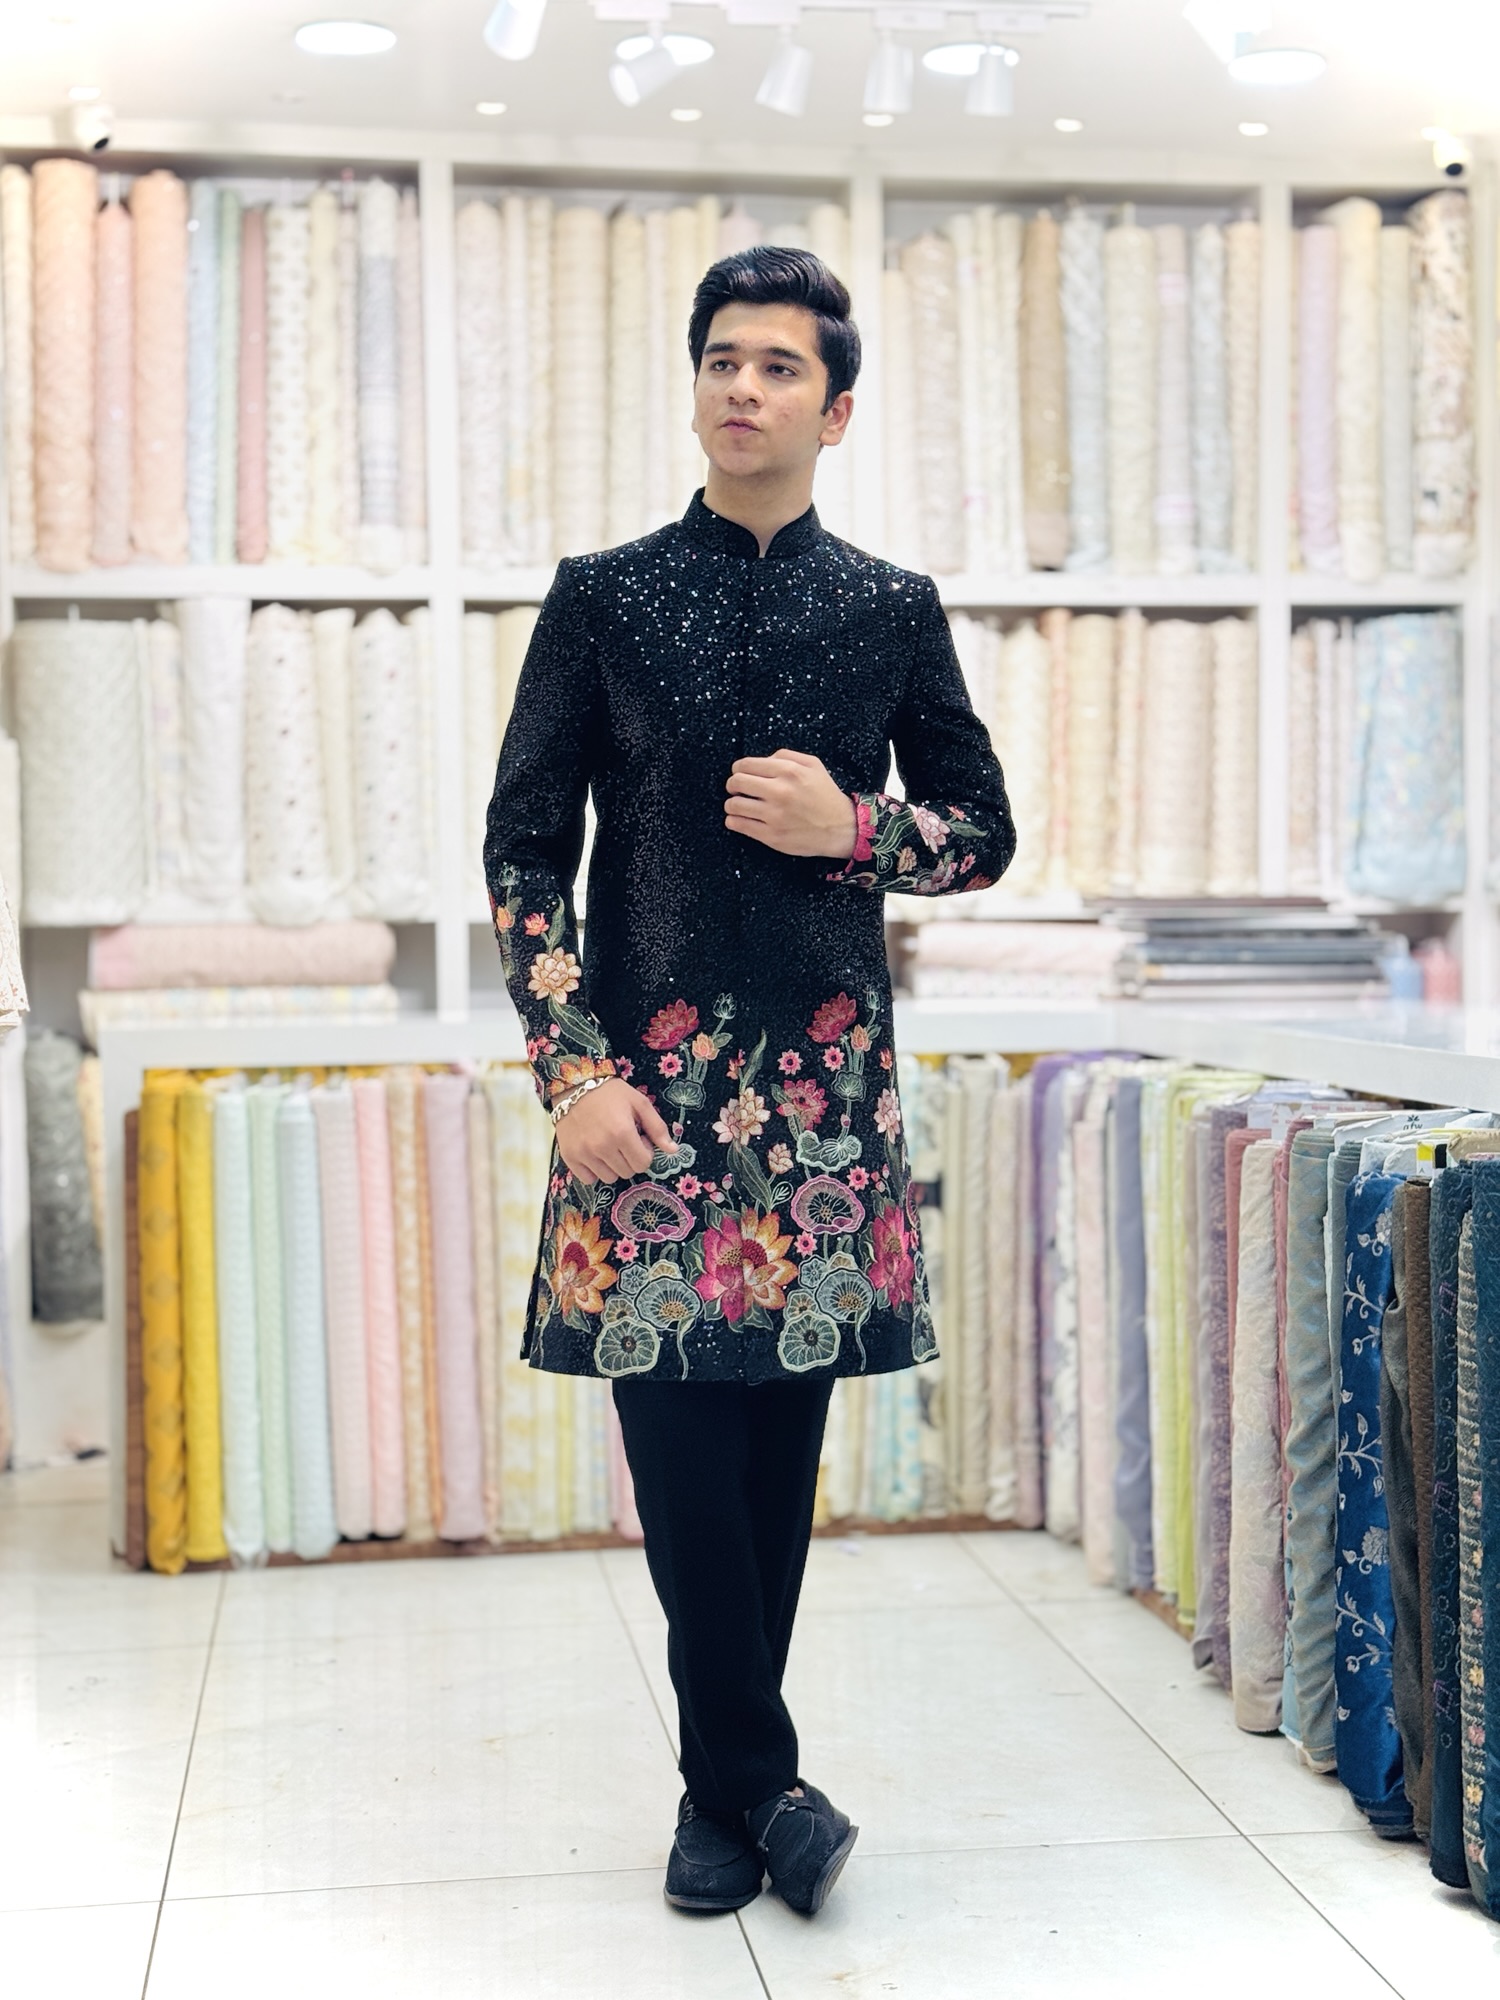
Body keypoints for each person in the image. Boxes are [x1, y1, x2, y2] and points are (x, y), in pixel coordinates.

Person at [484, 245, 1016, 1918]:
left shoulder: (890, 608)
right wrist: (569, 1070)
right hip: (638, 1099)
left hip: (821, 1108)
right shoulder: (603, 596)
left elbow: (983, 834)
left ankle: (721, 1802)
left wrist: (855, 829)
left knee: (776, 1465)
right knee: (678, 1455)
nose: (742, 386)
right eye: (722, 357)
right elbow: (522, 850)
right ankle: (764, 1780)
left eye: (780, 366)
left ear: (834, 410)